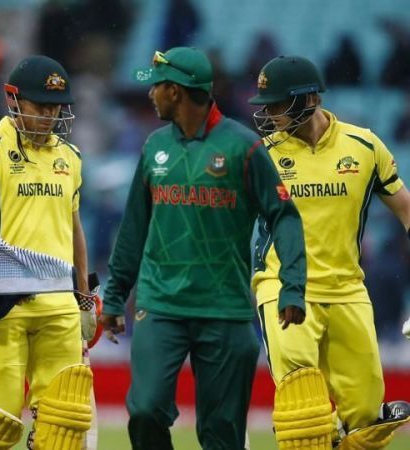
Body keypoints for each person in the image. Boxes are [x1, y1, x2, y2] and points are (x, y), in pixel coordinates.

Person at [99, 47, 307, 450]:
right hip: (161, 306)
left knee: (221, 436)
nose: (150, 94)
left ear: (176, 92)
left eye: (156, 86)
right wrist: (114, 296)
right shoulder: (153, 146)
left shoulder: (244, 147)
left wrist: (292, 285)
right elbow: (133, 229)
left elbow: (285, 216)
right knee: (144, 410)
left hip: (225, 311)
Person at [249, 55, 410, 449]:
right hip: (283, 288)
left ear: (308, 101)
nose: (268, 113)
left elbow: (406, 210)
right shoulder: (262, 154)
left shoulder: (365, 146)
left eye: (277, 103)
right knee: (303, 407)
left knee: (366, 419)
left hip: (347, 291)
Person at [0, 55, 95, 450]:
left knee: (63, 427)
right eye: (41, 106)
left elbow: (73, 228)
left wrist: (84, 296)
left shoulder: (71, 157)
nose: (50, 115)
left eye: (56, 107)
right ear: (13, 101)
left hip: (59, 306)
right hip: (2, 306)